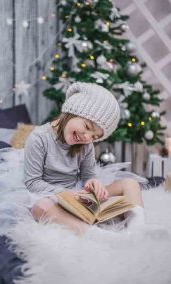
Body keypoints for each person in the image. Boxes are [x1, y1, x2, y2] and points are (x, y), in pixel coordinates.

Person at [24, 82, 145, 235]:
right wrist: (65, 194)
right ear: (70, 112)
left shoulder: (87, 144)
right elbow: (32, 183)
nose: (87, 137)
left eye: (95, 136)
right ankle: (94, 234)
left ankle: (138, 230)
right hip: (49, 194)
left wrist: (92, 183)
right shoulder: (39, 138)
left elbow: (88, 176)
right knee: (41, 207)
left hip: (79, 195)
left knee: (130, 183)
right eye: (87, 127)